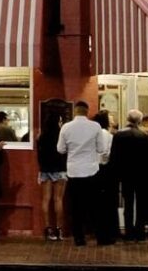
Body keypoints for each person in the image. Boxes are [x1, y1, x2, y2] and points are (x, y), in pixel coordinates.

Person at [57, 101, 106, 246]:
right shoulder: (95, 126)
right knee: (95, 206)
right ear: (87, 111)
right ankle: (100, 237)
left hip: (74, 171)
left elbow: (60, 149)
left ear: (75, 111)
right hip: (91, 170)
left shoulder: (66, 127)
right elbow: (101, 149)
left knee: (76, 207)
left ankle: (79, 238)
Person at [110, 109, 148, 241]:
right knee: (141, 203)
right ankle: (140, 230)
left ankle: (129, 230)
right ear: (140, 121)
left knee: (128, 203)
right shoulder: (145, 137)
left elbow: (115, 157)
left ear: (128, 119)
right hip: (142, 175)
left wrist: (116, 174)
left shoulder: (119, 136)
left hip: (126, 174)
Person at [36, 111, 68, 241]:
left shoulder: (41, 136)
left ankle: (48, 229)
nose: (61, 123)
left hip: (45, 170)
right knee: (58, 199)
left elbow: (39, 156)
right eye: (60, 121)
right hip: (60, 170)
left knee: (46, 199)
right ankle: (59, 229)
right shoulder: (61, 136)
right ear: (57, 122)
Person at [91, 109, 118, 245]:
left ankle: (102, 233)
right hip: (104, 170)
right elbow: (105, 154)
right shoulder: (106, 134)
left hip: (97, 170)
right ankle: (105, 234)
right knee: (106, 204)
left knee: (100, 203)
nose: (113, 119)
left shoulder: (98, 133)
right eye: (110, 117)